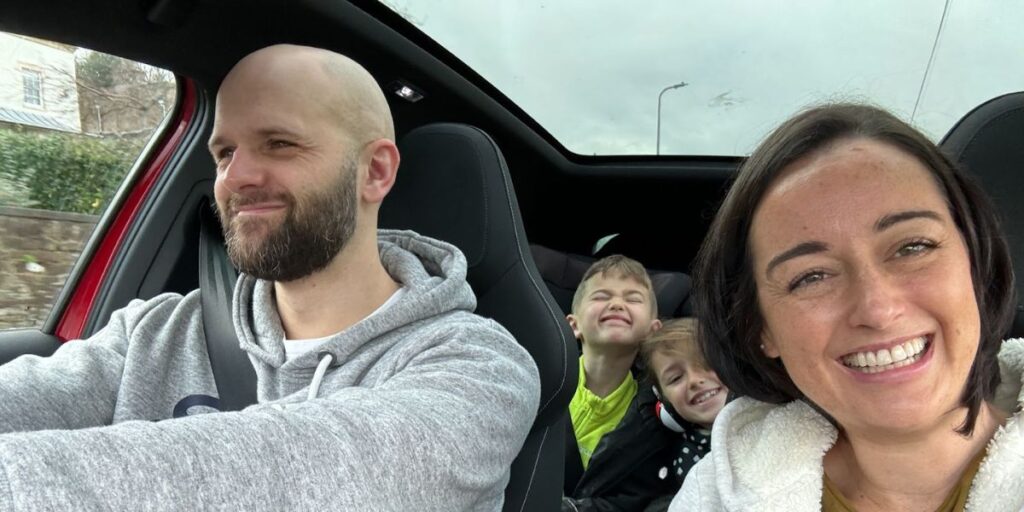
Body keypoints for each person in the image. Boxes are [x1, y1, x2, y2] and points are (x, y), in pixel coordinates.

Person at [0, 44, 540, 511]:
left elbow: (328, 476)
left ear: (375, 171)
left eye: (279, 143)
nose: (236, 178)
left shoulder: (481, 369)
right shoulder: (154, 332)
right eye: (224, 152)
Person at [672, 103, 1024, 511]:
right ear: (760, 329)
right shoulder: (714, 495)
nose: (877, 310)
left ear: (975, 263)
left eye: (913, 247)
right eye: (811, 277)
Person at [563, 255, 668, 512]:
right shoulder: (542, 385)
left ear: (652, 332)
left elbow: (633, 500)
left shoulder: (658, 417)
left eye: (632, 299)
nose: (617, 304)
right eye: (601, 296)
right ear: (574, 326)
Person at [640, 317, 727, 498]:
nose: (695, 380)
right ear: (665, 405)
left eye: (706, 363)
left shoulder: (771, 412)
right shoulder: (689, 460)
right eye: (675, 378)